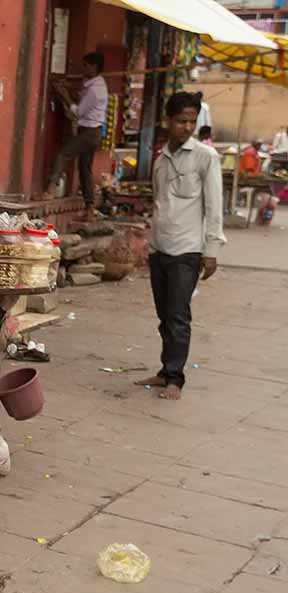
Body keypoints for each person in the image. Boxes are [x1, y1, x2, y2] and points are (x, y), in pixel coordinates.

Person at [137, 92, 223, 402]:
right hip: (160, 248)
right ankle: (164, 371)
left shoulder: (205, 157)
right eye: (181, 121)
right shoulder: (161, 159)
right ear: (168, 122)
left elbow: (214, 207)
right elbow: (160, 202)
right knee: (164, 314)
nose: (187, 127)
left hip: (187, 251)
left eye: (191, 121)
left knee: (177, 316)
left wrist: (211, 249)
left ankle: (175, 377)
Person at [48, 52, 109, 208]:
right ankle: (89, 207)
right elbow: (82, 99)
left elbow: (79, 111)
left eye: (86, 66)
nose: (83, 69)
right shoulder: (96, 86)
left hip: (89, 132)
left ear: (94, 67)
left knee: (63, 153)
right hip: (93, 132)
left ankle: (50, 190)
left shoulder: (95, 90)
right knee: (85, 168)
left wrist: (64, 94)